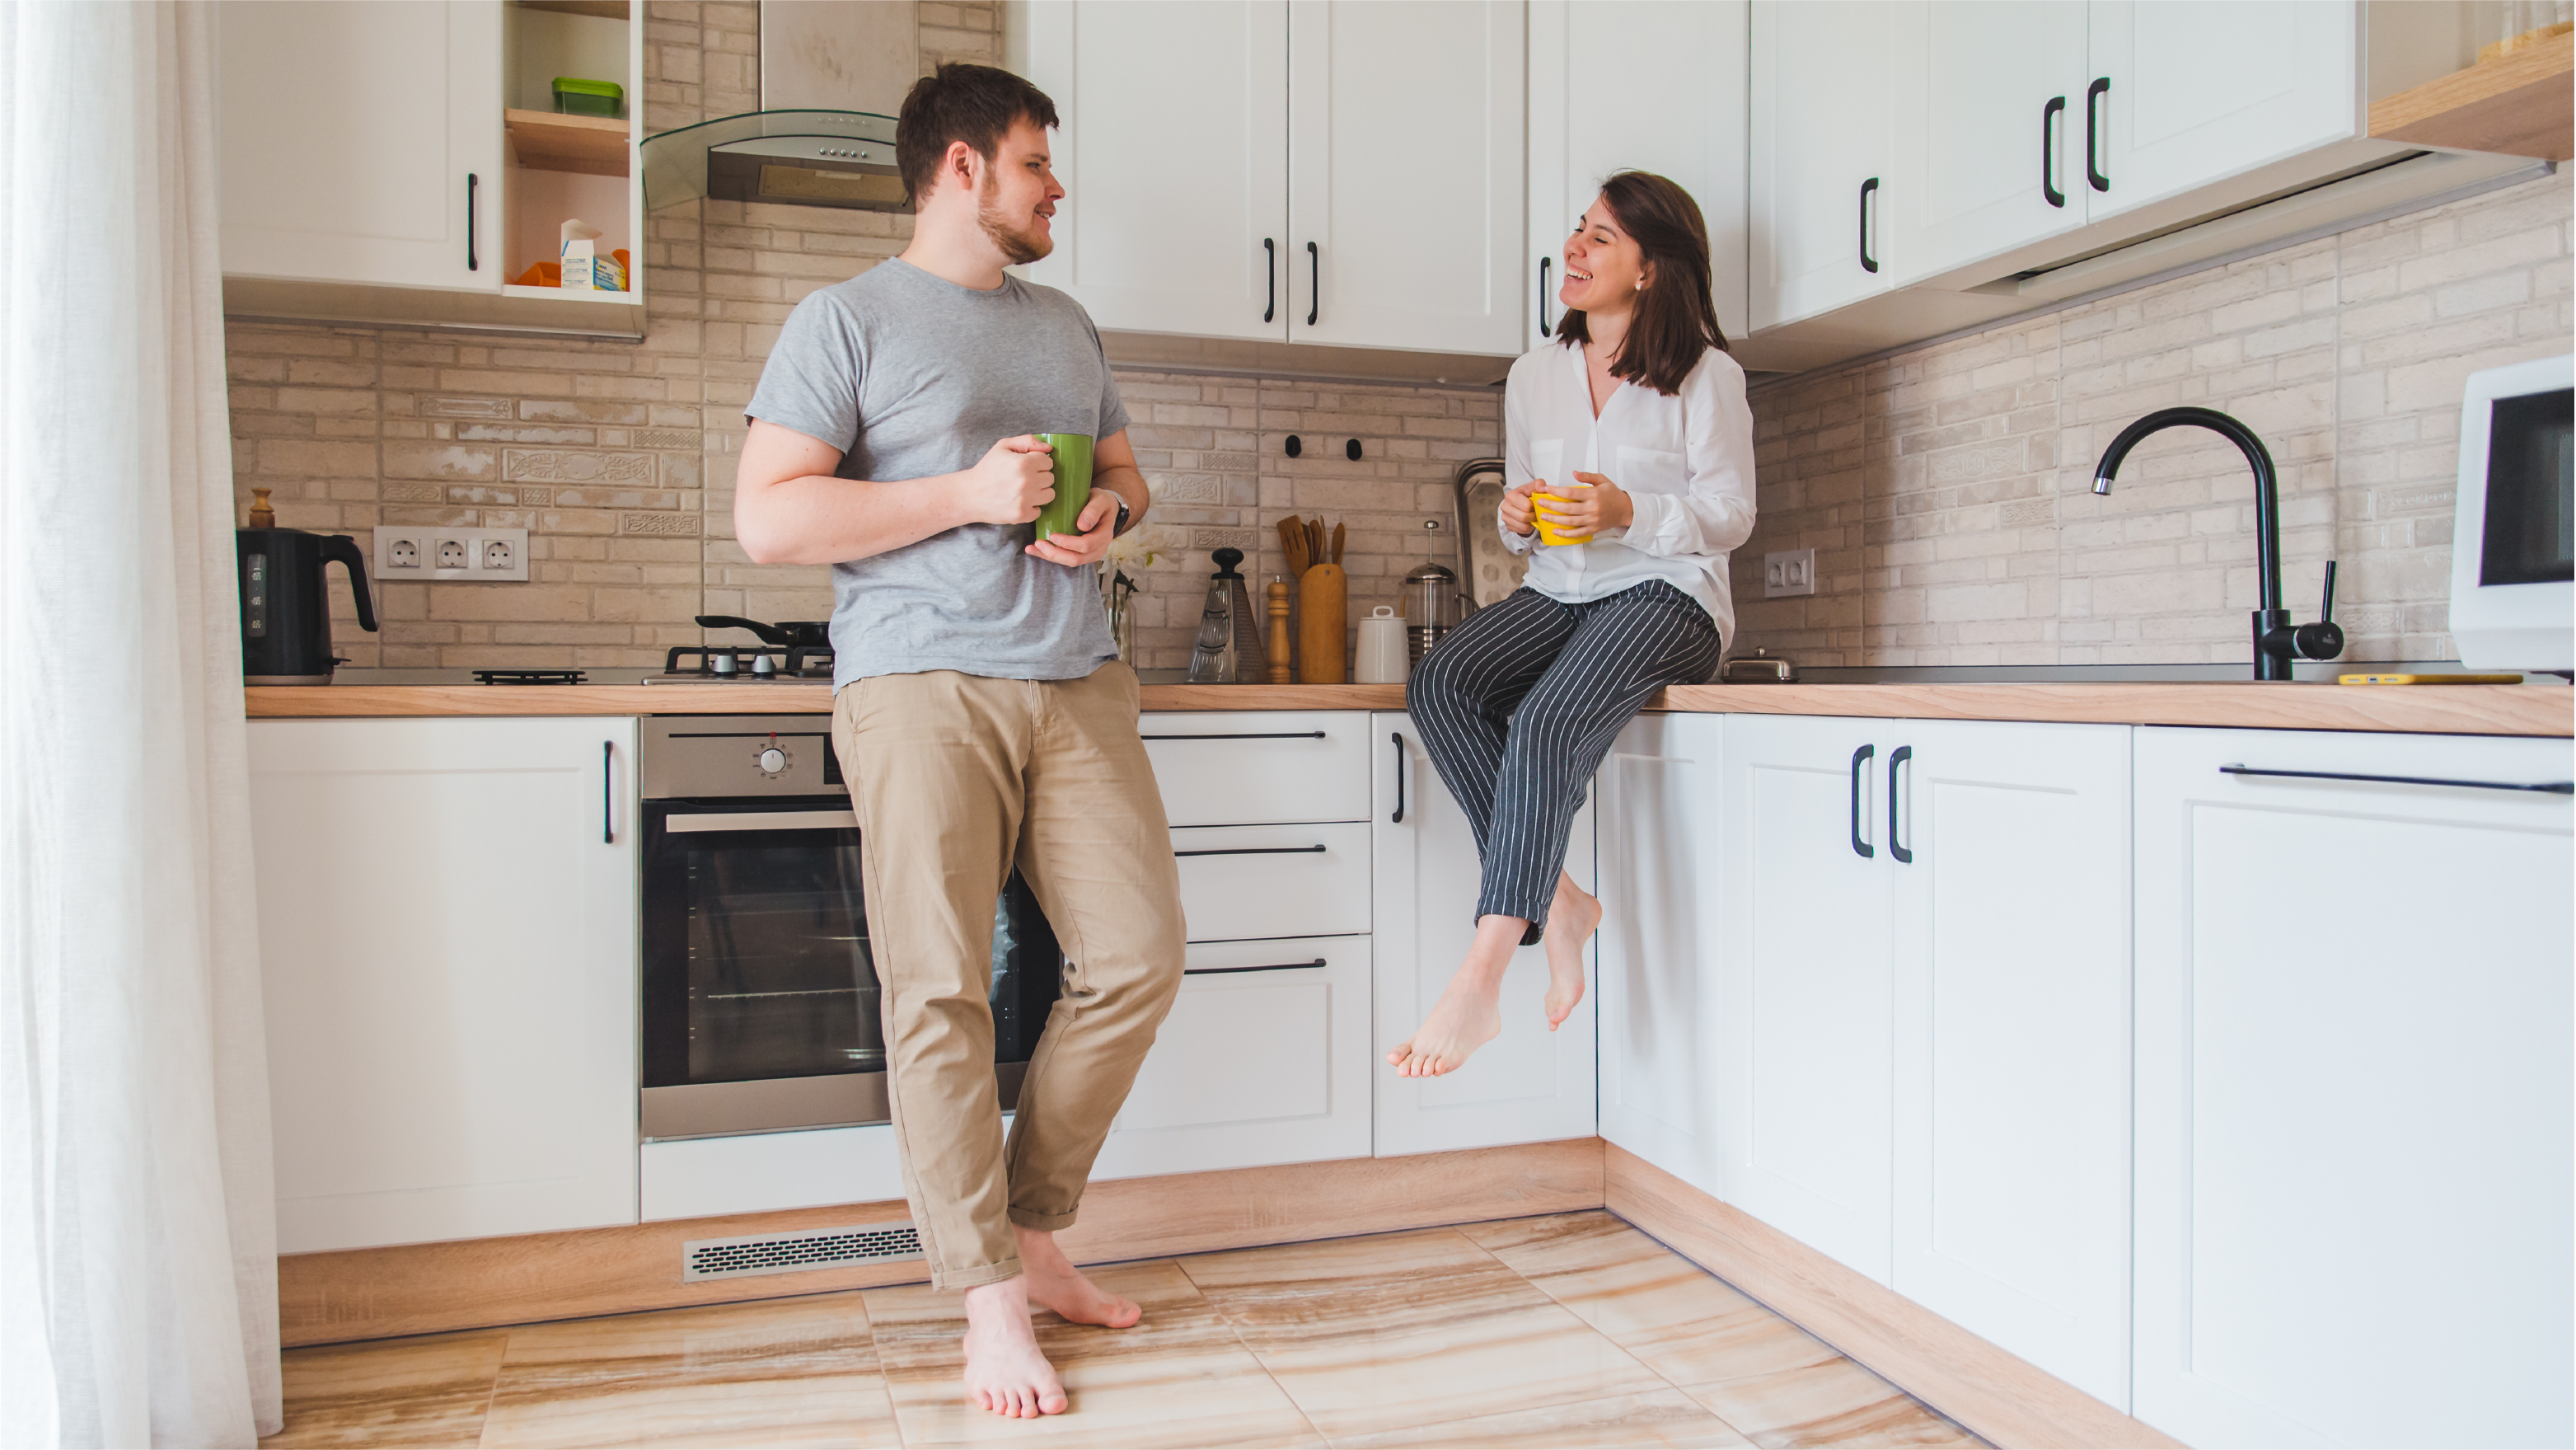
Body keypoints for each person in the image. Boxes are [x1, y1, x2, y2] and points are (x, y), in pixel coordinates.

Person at [732, 63, 1183, 1420]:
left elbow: (1126, 471)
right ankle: (986, 1294)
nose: (1058, 185)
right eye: (1038, 161)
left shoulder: (1065, 323)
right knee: (940, 989)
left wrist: (1109, 515)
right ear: (963, 170)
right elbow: (770, 518)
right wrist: (962, 493)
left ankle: (1035, 1223)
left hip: (1077, 672)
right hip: (920, 680)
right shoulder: (846, 319)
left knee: (1138, 960)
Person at [1388, 171, 1755, 1078]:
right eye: (1578, 230)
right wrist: (1517, 515)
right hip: (1559, 590)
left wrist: (1630, 509)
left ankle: (1481, 974)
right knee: (1442, 679)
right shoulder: (1534, 374)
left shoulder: (1709, 376)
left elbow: (1733, 514)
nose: (1575, 249)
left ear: (1652, 270)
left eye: (1601, 238)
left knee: (1546, 718)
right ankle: (1562, 903)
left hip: (1669, 594)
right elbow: (1526, 512)